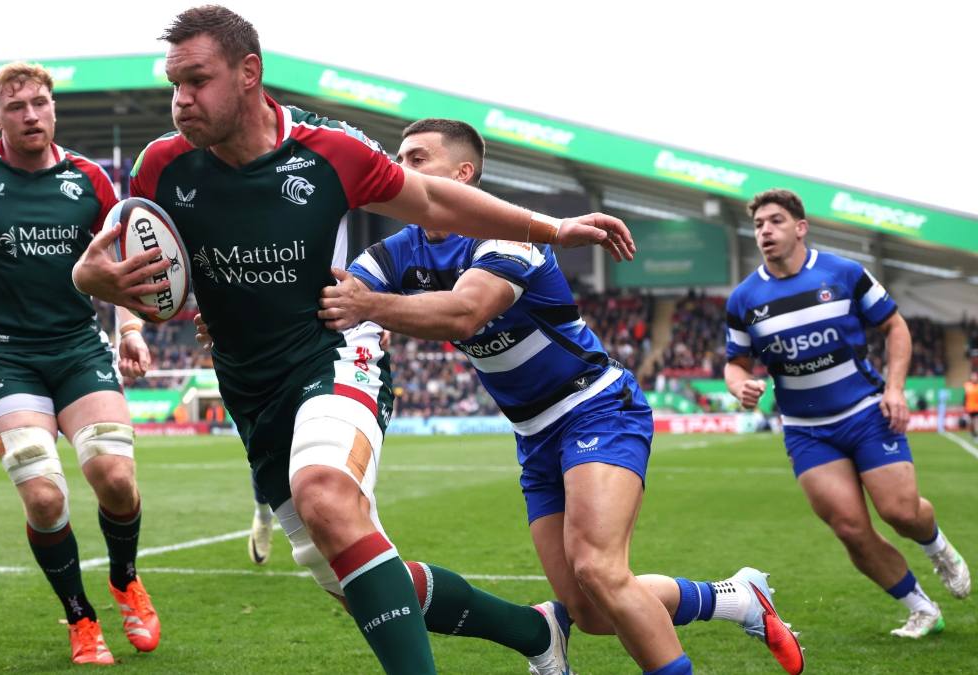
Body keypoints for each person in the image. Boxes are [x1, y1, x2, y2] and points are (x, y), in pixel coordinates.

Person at [72, 6, 637, 674]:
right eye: (174, 84)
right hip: (246, 384)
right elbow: (128, 269)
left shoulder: (330, 154)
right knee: (352, 577)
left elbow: (435, 203)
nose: (180, 100)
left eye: (197, 80)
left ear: (249, 73)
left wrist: (553, 227)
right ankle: (535, 631)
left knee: (324, 493)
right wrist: (94, 281)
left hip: (335, 351)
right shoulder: (162, 166)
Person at [313, 118, 804, 675]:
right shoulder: (395, 253)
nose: (403, 170)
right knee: (590, 611)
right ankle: (736, 598)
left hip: (595, 407)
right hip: (532, 435)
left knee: (599, 568)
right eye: (400, 158)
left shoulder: (507, 236)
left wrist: (370, 308)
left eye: (418, 158)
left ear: (463, 173)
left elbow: (465, 311)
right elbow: (334, 294)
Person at [0, 61, 164, 665]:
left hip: (79, 346)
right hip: (7, 355)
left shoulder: (90, 181)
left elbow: (124, 264)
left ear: (54, 108)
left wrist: (129, 327)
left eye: (41, 103)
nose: (31, 115)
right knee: (45, 497)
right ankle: (81, 618)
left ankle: (125, 579)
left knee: (116, 478)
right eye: (17, 106)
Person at [723, 188, 970, 639]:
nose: (765, 231)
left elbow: (895, 326)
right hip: (806, 431)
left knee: (900, 512)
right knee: (850, 527)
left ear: (801, 228)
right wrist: (741, 386)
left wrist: (895, 388)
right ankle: (921, 608)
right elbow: (735, 362)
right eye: (759, 225)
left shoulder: (844, 273)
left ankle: (937, 547)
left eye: (775, 221)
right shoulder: (743, 299)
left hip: (865, 413)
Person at [964, 372, 978, 440]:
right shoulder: (968, 385)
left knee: (976, 421)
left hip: (977, 407)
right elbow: (965, 396)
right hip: (970, 407)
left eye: (975, 377)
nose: (974, 378)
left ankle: (975, 435)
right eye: (973, 377)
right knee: (971, 422)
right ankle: (972, 433)